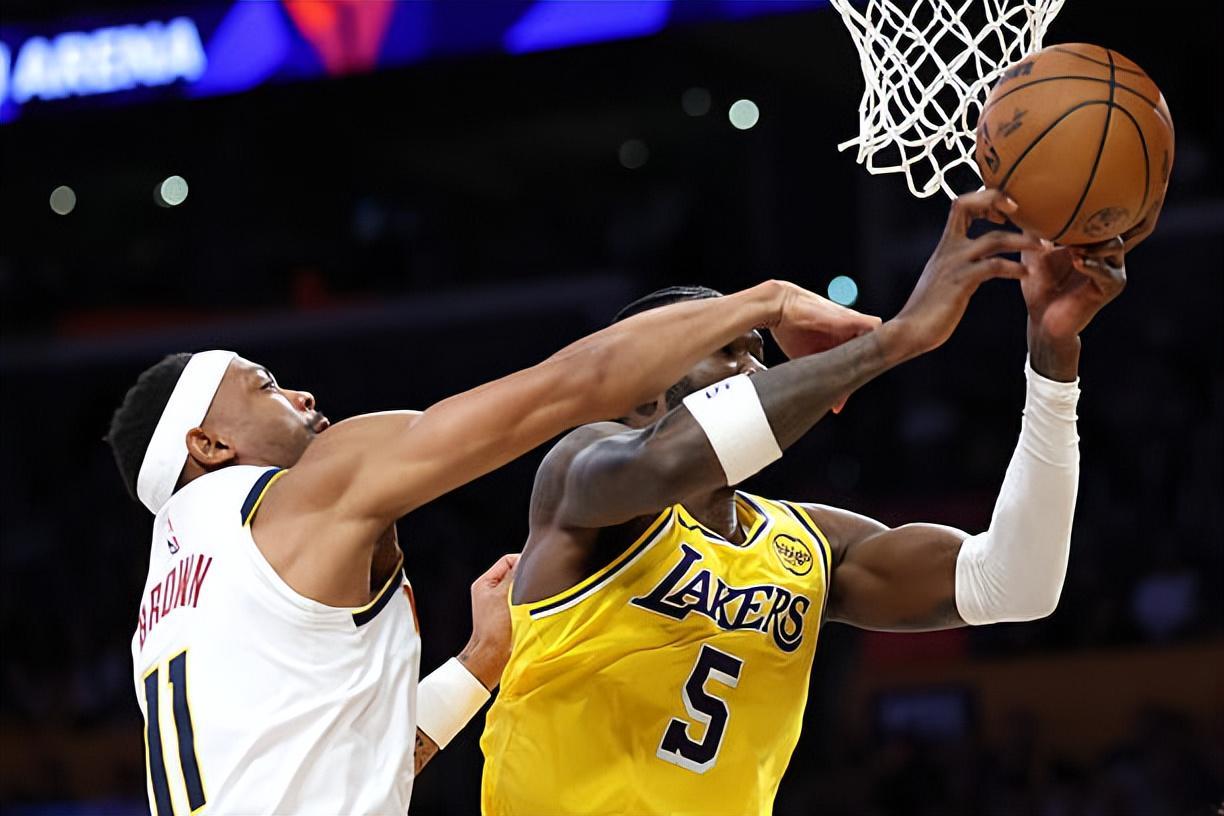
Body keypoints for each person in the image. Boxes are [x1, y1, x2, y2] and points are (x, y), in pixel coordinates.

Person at [106, 277, 876, 815]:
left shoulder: (172, 591)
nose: (300, 394)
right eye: (264, 385)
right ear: (208, 444)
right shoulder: (299, 498)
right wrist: (768, 302)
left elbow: (358, 764)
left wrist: (478, 664)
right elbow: (572, 386)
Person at [480, 189, 1132, 815]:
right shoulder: (583, 479)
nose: (757, 370)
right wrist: (896, 339)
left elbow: (1015, 585)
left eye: (759, 354)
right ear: (642, 389)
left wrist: (1052, 360)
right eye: (727, 351)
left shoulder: (811, 544)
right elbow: (672, 460)